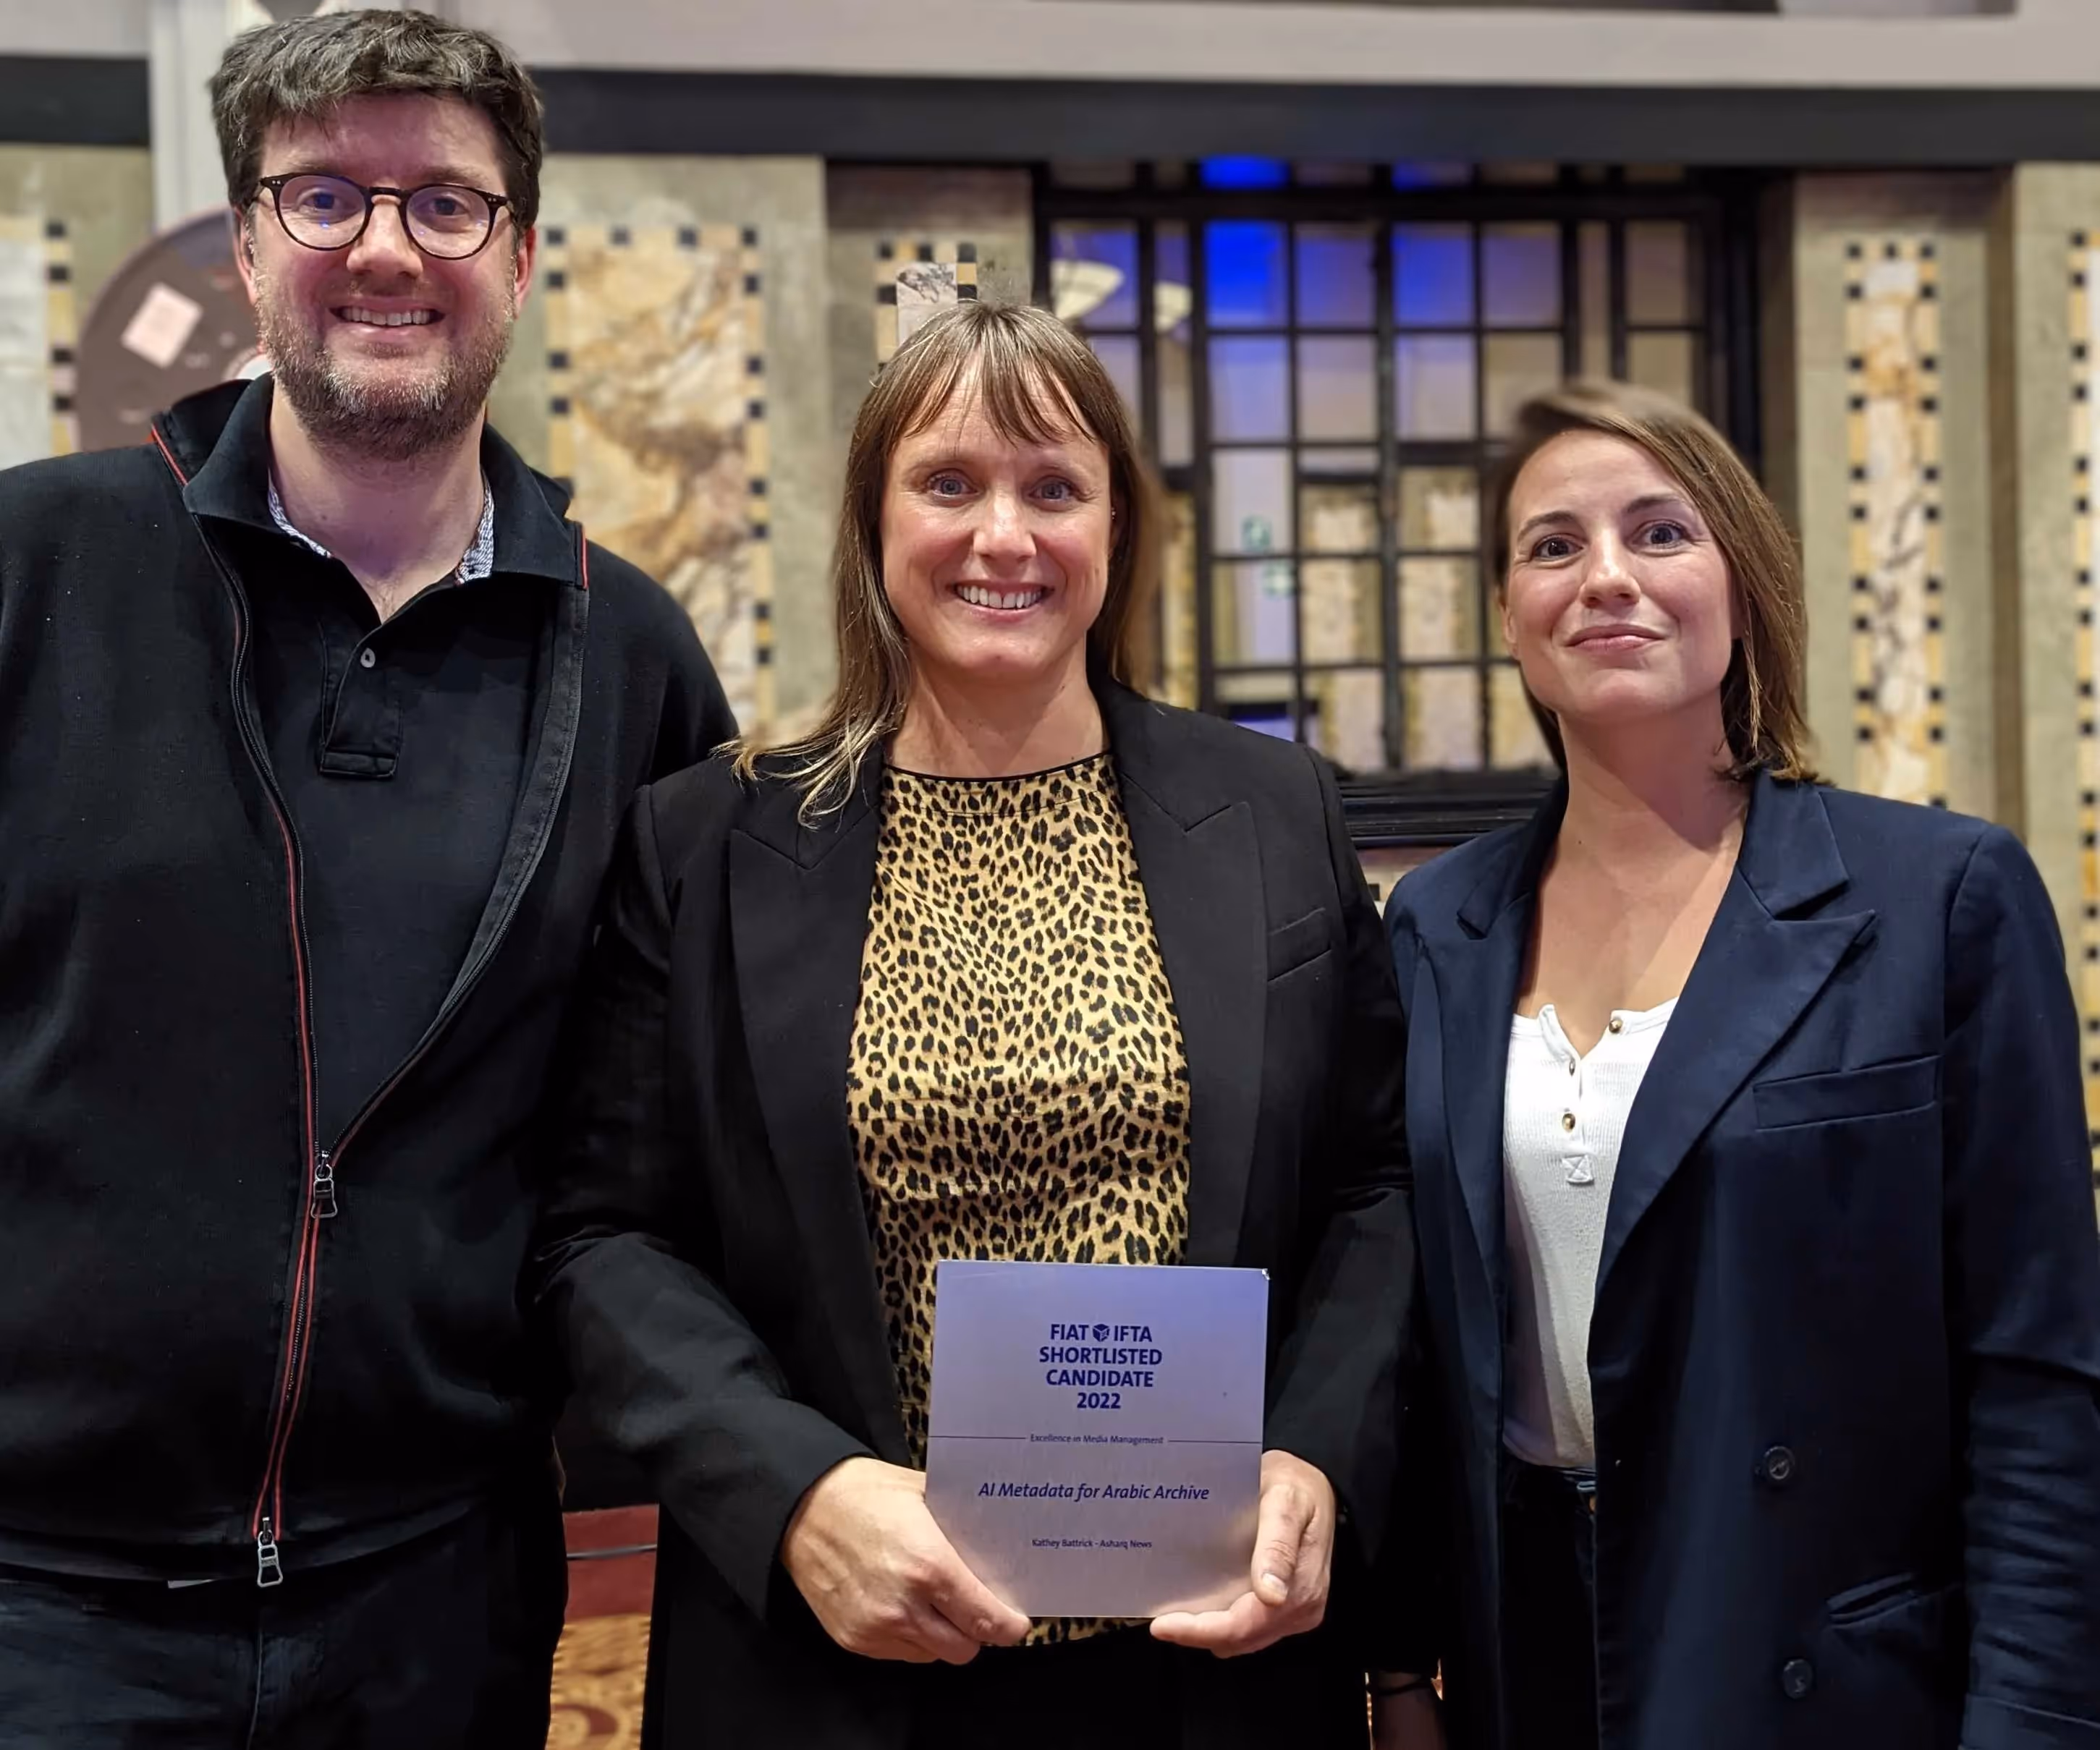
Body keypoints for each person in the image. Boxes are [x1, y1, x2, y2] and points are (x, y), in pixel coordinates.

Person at [530, 298, 1414, 1747]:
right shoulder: (707, 842)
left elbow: (1370, 1191)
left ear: (1115, 532)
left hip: (1205, 1660)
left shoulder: (1270, 816)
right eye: (948, 483)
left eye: (1051, 487)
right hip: (837, 1665)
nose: (1000, 535)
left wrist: (1316, 1452)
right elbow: (603, 1237)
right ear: (874, 525)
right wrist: (793, 1488)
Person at [0, 10, 732, 1744]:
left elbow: (676, 1120)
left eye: (444, 203)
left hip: (443, 1601)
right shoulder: (37, 573)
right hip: (41, 1603)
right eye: (323, 198)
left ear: (523, 253)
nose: (385, 247)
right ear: (249, 246)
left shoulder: (626, 656)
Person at [1373, 380, 2100, 1750]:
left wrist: (2035, 1719)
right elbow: (1412, 1348)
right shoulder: (1436, 928)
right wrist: (1400, 1670)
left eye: (1660, 532)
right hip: (1518, 1646)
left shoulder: (1938, 896)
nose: (1606, 579)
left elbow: (2034, 1370)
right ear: (1504, 617)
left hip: (1809, 1648)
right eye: (1552, 545)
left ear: (1740, 580)